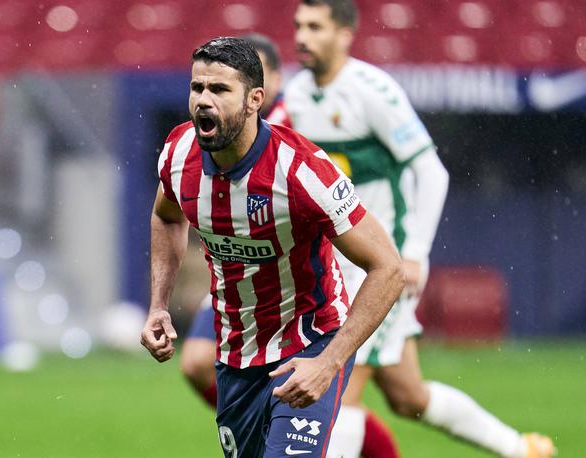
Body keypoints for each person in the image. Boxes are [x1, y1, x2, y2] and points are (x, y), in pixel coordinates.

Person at [285, 1, 556, 458]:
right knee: (408, 394)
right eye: (298, 26)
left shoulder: (372, 90)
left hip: (377, 267)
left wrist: (415, 255)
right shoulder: (296, 94)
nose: (302, 36)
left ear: (345, 34)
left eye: (315, 26)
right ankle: (522, 449)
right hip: (335, 266)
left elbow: (432, 171)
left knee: (339, 391)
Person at [141, 36, 405, 458]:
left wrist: (330, 362)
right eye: (197, 89)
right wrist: (159, 305)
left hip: (309, 344)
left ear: (254, 100)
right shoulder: (178, 154)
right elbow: (166, 215)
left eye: (220, 90)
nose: (203, 102)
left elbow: (388, 267)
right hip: (235, 359)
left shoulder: (301, 170)